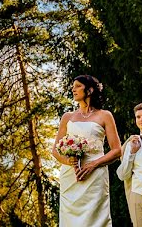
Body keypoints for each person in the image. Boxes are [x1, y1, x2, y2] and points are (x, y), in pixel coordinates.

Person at [52, 75, 122, 226]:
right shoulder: (67, 117)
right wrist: (70, 163)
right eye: (73, 86)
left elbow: (116, 150)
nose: (73, 89)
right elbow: (55, 151)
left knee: (96, 218)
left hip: (95, 175)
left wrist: (93, 164)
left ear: (89, 90)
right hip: (71, 175)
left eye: (78, 86)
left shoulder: (105, 115)